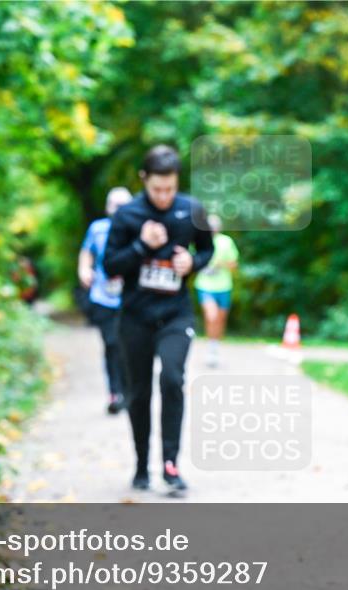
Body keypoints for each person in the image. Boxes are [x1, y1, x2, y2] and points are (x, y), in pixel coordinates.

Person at [103, 145, 214, 494]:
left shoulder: (192, 209)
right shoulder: (127, 215)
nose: (164, 196)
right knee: (138, 393)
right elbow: (110, 265)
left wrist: (192, 264)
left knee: (171, 378)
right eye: (157, 189)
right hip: (135, 317)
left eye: (170, 188)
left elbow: (207, 249)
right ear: (143, 180)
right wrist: (141, 246)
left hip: (175, 314)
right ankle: (141, 466)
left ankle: (170, 465)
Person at [79, 187, 133, 415]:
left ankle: (130, 392)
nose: (118, 209)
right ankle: (114, 393)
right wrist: (84, 270)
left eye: (123, 205)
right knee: (111, 343)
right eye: (115, 204)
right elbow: (86, 251)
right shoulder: (98, 228)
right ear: (108, 207)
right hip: (103, 297)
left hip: (131, 298)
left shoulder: (138, 227)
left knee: (128, 345)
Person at [194, 214, 239, 368]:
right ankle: (211, 348)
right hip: (205, 285)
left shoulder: (226, 242)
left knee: (220, 319)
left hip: (224, 286)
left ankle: (214, 346)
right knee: (211, 316)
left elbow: (234, 264)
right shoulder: (199, 241)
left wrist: (221, 264)